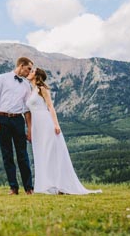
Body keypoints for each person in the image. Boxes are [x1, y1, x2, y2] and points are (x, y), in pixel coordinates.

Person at [26, 67, 101, 195]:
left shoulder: (42, 89)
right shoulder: (31, 90)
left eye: (32, 71)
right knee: (41, 153)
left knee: (50, 153)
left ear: (37, 76)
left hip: (45, 122)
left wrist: (56, 124)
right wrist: (30, 128)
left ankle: (59, 185)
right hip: (36, 126)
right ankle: (47, 185)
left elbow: (50, 107)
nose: (29, 72)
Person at [0, 56, 34, 195]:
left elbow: (27, 110)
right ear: (21, 66)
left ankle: (29, 188)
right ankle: (13, 188)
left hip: (18, 120)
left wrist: (30, 129)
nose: (29, 71)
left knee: (23, 154)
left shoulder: (27, 85)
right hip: (2, 119)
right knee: (7, 155)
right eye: (28, 68)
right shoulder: (2, 78)